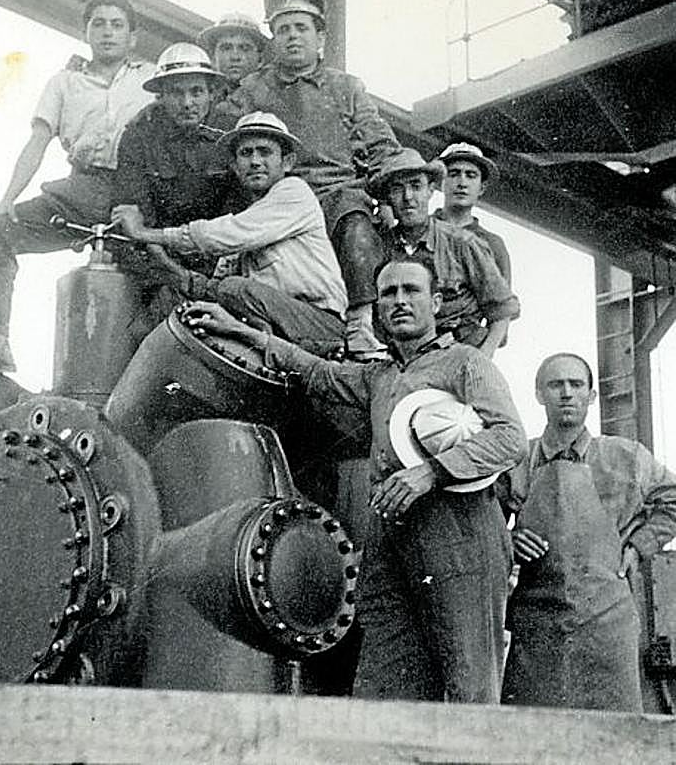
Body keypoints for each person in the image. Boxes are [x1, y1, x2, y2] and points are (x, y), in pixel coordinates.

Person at [181, 255, 526, 702]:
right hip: (391, 544)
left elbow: (510, 439)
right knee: (383, 684)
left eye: (411, 290)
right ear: (378, 307)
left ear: (437, 302)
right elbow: (317, 373)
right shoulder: (380, 376)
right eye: (388, 293)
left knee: (469, 683)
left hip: (461, 537)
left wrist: (430, 472)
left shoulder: (466, 364)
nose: (399, 301)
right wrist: (244, 333)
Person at [0, 0, 155, 380]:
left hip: (141, 192)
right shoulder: (64, 82)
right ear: (85, 31)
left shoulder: (151, 78)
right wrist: (7, 199)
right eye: (98, 23)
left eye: (117, 25)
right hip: (81, 191)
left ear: (133, 37)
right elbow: (37, 142)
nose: (107, 32)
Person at [221, 0, 400, 359]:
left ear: (320, 37)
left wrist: (390, 192)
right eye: (282, 29)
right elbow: (222, 137)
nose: (292, 37)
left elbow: (379, 141)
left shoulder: (345, 87)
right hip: (276, 199)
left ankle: (359, 324)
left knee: (357, 227)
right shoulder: (252, 89)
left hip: (337, 193)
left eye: (301, 28)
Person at [499, 352, 676, 711]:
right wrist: (509, 542)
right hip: (537, 623)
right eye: (556, 385)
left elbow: (673, 500)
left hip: (607, 621)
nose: (566, 393)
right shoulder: (517, 462)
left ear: (591, 396)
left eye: (576, 385)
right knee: (533, 734)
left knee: (614, 734)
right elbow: (484, 527)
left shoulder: (626, 457)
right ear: (539, 394)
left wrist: (639, 546)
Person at [112, 112, 347, 356]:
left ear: (287, 162)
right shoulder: (253, 215)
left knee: (233, 289)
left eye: (265, 152)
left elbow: (225, 236)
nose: (255, 161)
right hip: (286, 323)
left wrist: (142, 232)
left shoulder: (294, 192)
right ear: (234, 166)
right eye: (246, 154)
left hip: (319, 324)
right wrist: (168, 266)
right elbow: (211, 283)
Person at [112, 42, 239, 308]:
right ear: (160, 96)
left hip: (222, 258)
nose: (187, 103)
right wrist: (175, 274)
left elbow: (242, 214)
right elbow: (135, 217)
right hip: (162, 260)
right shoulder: (139, 136)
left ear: (212, 93)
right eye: (175, 93)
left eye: (197, 92)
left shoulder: (232, 133)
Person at [374, 148, 520, 357]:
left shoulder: (466, 243)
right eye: (397, 189)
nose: (408, 197)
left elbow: (502, 310)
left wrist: (481, 360)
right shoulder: (380, 245)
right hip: (401, 358)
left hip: (456, 355)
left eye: (416, 186)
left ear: (430, 190)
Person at [438, 142, 512, 285]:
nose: (462, 182)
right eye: (454, 174)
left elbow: (503, 302)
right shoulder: (422, 229)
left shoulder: (492, 244)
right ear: (441, 181)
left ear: (481, 188)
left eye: (471, 175)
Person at [198, 12, 268, 87]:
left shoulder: (274, 96)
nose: (235, 57)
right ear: (213, 58)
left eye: (245, 49)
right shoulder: (205, 96)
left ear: (260, 59)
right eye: (226, 49)